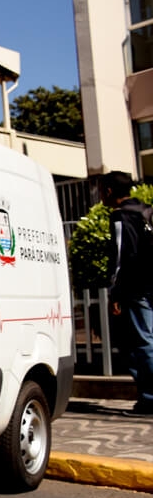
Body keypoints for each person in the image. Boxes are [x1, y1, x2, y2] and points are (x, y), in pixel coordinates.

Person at [101, 171, 153, 416]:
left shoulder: (122, 216)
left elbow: (121, 256)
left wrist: (115, 292)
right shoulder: (146, 211)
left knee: (142, 343)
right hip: (149, 284)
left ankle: (150, 399)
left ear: (109, 191)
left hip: (136, 288)